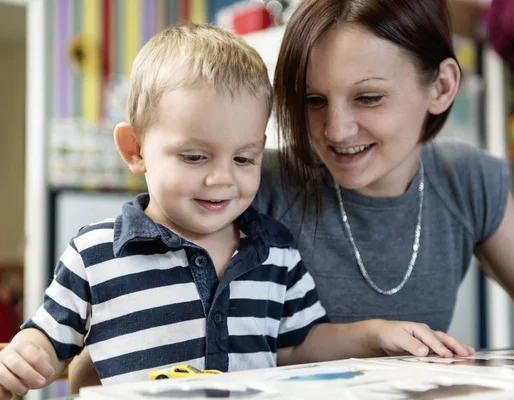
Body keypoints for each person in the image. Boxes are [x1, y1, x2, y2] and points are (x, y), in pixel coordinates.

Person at [0, 23, 473, 400]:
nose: (222, 179)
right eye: (194, 157)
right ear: (135, 149)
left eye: (244, 159)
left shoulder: (276, 252)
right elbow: (48, 338)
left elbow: (299, 346)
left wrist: (378, 334)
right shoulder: (96, 252)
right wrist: (25, 355)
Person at [253, 0, 514, 352]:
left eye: (369, 97)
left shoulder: (465, 178)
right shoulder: (254, 184)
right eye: (314, 100)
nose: (336, 131)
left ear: (442, 87)